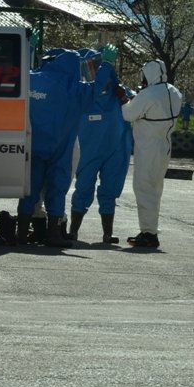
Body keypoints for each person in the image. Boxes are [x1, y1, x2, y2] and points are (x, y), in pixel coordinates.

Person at [14, 48, 93, 246]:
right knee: (57, 191)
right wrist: (105, 66)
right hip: (61, 149)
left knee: (29, 191)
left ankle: (21, 234)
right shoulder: (75, 88)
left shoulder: (32, 78)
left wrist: (28, 52)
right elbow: (96, 91)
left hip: (33, 146)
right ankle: (53, 235)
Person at [68, 45, 129, 244]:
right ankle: (73, 231)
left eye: (98, 67)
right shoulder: (82, 96)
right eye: (91, 68)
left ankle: (107, 234)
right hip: (88, 152)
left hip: (114, 152)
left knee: (109, 191)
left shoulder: (119, 96)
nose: (93, 73)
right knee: (83, 188)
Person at [120, 60, 183, 248]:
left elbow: (128, 114)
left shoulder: (148, 95)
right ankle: (150, 230)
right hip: (164, 144)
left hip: (148, 148)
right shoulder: (174, 91)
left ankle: (149, 233)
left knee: (144, 189)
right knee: (155, 189)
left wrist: (124, 99)